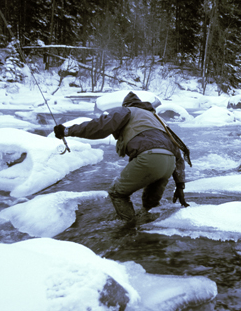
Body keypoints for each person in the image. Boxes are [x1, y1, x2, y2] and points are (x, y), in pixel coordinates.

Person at [53, 92, 190, 222]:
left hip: (150, 158)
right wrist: (180, 185)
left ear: (127, 105)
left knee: (116, 193)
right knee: (150, 205)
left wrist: (67, 130)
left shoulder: (128, 111)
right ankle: (151, 238)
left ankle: (129, 231)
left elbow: (99, 127)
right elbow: (176, 150)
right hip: (169, 162)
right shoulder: (157, 120)